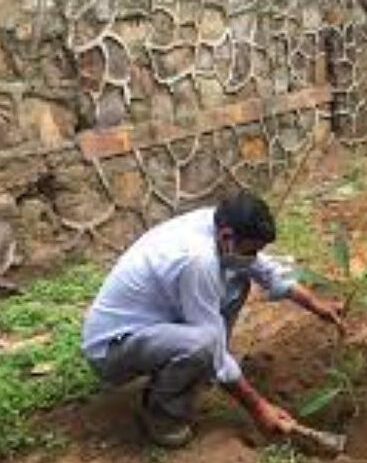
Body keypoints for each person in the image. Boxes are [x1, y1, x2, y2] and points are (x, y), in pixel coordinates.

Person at [81, 191, 344, 448]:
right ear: (227, 236)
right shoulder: (198, 260)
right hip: (112, 349)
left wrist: (314, 304)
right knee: (202, 345)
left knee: (238, 282)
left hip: (153, 323)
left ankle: (205, 369)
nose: (253, 256)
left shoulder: (220, 223)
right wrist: (259, 407)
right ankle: (162, 416)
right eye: (251, 249)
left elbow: (260, 267)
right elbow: (209, 339)